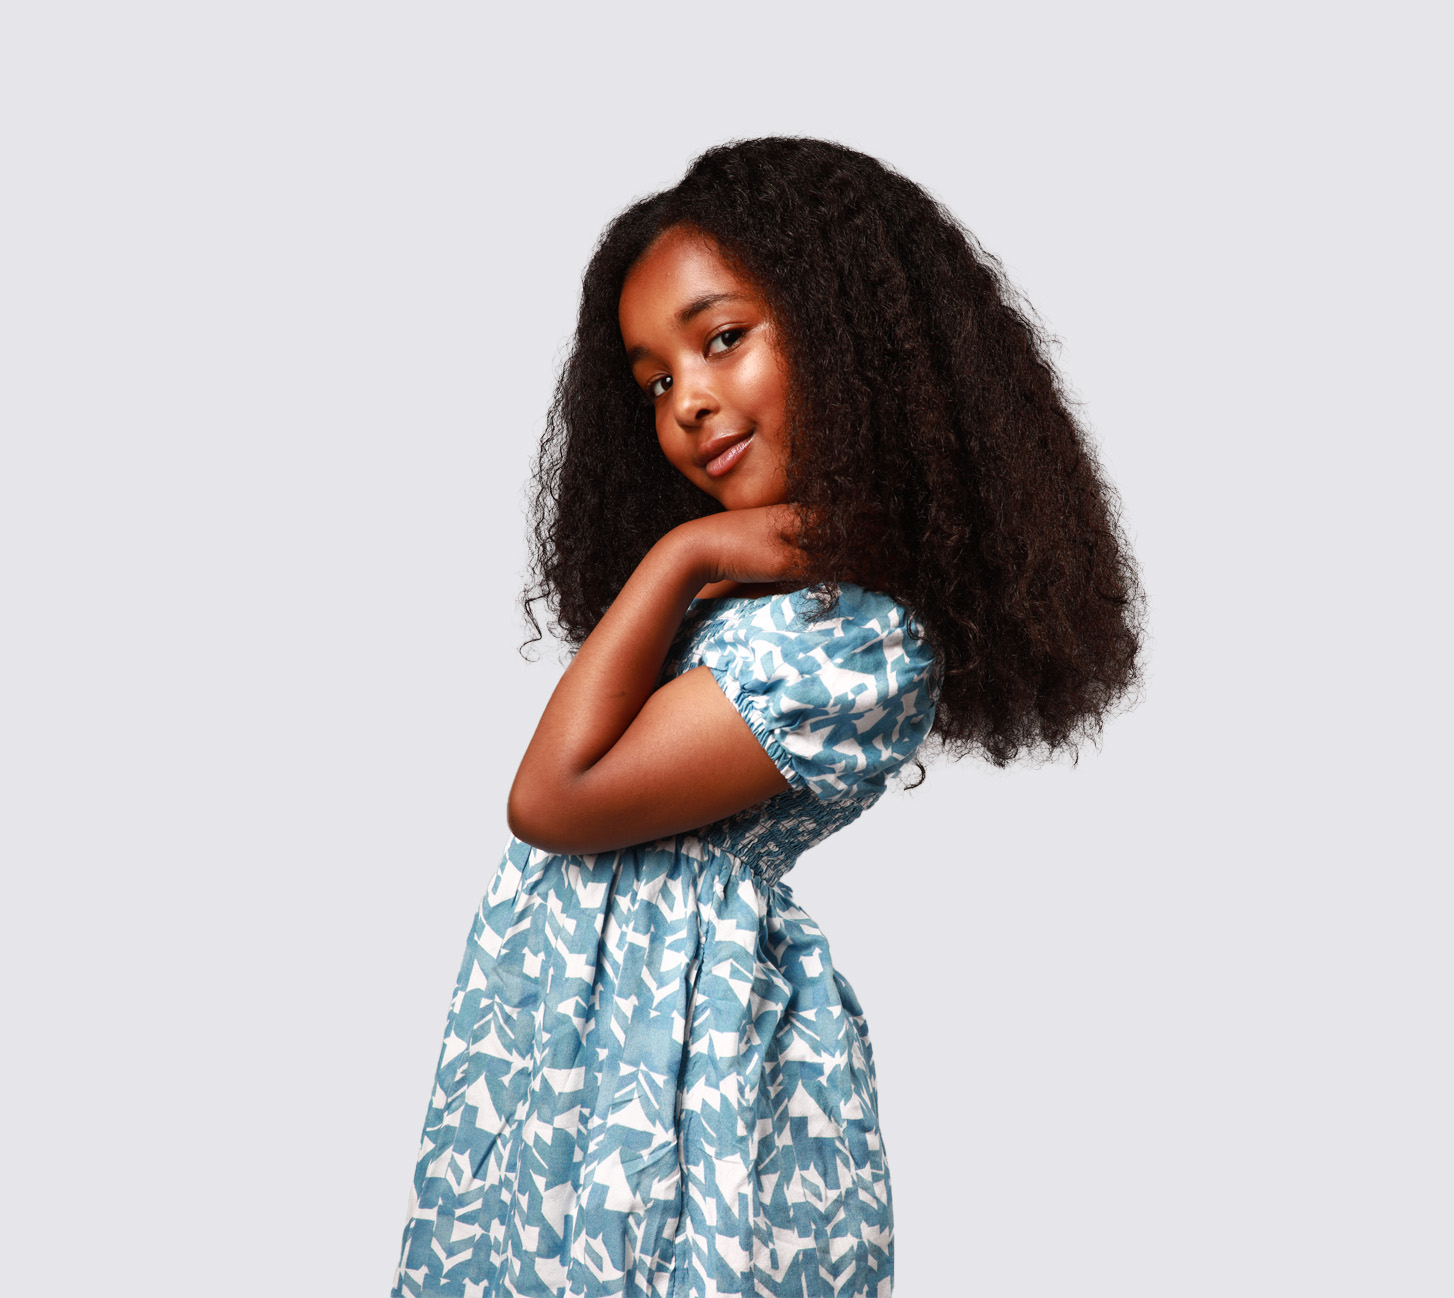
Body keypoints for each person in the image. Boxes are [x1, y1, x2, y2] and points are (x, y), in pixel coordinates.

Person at [394, 137, 1142, 1296]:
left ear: (848, 338)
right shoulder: (760, 599)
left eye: (722, 338)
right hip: (584, 1064)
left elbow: (554, 797)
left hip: (686, 1088)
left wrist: (682, 553)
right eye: (653, 382)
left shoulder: (859, 640)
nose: (687, 400)